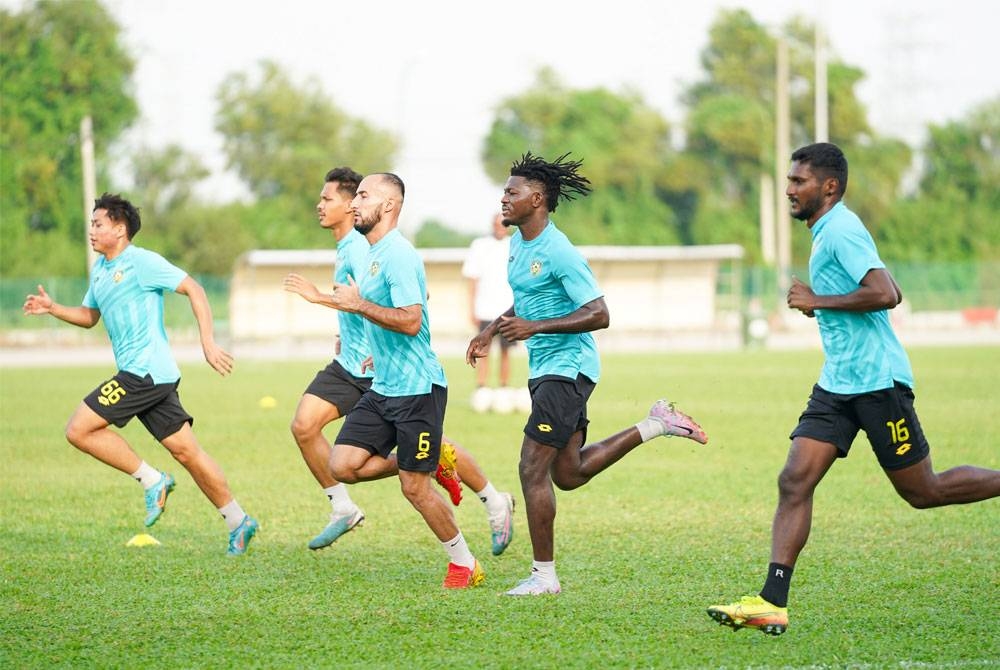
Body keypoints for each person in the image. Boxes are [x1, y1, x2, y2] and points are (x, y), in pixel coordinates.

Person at [707, 142, 1000, 635]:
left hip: (877, 383)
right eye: (789, 180)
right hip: (838, 382)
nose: (789, 189)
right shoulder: (825, 232)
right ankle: (770, 601)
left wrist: (816, 299)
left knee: (923, 491)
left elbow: (886, 293)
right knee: (794, 479)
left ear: (829, 186)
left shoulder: (841, 228)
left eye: (798, 181)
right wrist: (821, 303)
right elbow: (882, 292)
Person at [466, 152, 708, 596]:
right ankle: (657, 423)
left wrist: (535, 327)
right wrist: (491, 329)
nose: (503, 199)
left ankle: (544, 578)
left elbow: (599, 313)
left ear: (536, 199)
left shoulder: (559, 250)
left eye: (511, 192)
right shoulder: (519, 244)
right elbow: (529, 300)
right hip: (546, 369)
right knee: (569, 473)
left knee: (530, 467)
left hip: (568, 368)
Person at [283, 168, 514, 556]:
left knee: (412, 478)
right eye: (350, 197)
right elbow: (377, 304)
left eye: (350, 197)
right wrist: (360, 332)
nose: (325, 205)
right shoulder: (363, 247)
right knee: (331, 448)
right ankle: (379, 488)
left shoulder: (376, 248)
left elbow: (407, 311)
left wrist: (328, 301)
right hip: (374, 369)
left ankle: (473, 532)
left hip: (384, 375)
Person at [22, 193, 258, 556]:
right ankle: (238, 521)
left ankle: (153, 480)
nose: (92, 230)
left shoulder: (141, 262)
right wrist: (53, 308)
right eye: (92, 223)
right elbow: (89, 316)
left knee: (79, 429)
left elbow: (193, 288)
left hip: (143, 373)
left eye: (98, 223)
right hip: (151, 375)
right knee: (187, 452)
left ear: (119, 228)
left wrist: (207, 342)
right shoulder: (100, 269)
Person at [321, 172, 485, 588]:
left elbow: (412, 320)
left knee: (414, 488)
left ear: (389, 206)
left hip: (418, 390)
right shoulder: (373, 254)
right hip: (384, 387)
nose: (354, 203)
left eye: (363, 195)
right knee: (342, 465)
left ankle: (465, 563)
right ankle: (431, 460)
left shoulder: (398, 254)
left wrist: (359, 306)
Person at [461, 212, 516, 412]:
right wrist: (472, 308)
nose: (499, 227)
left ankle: (503, 386)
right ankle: (482, 387)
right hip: (485, 308)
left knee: (506, 350)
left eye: (503, 224)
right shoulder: (480, 245)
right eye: (496, 224)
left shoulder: (515, 245)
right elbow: (472, 278)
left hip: (508, 308)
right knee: (483, 349)